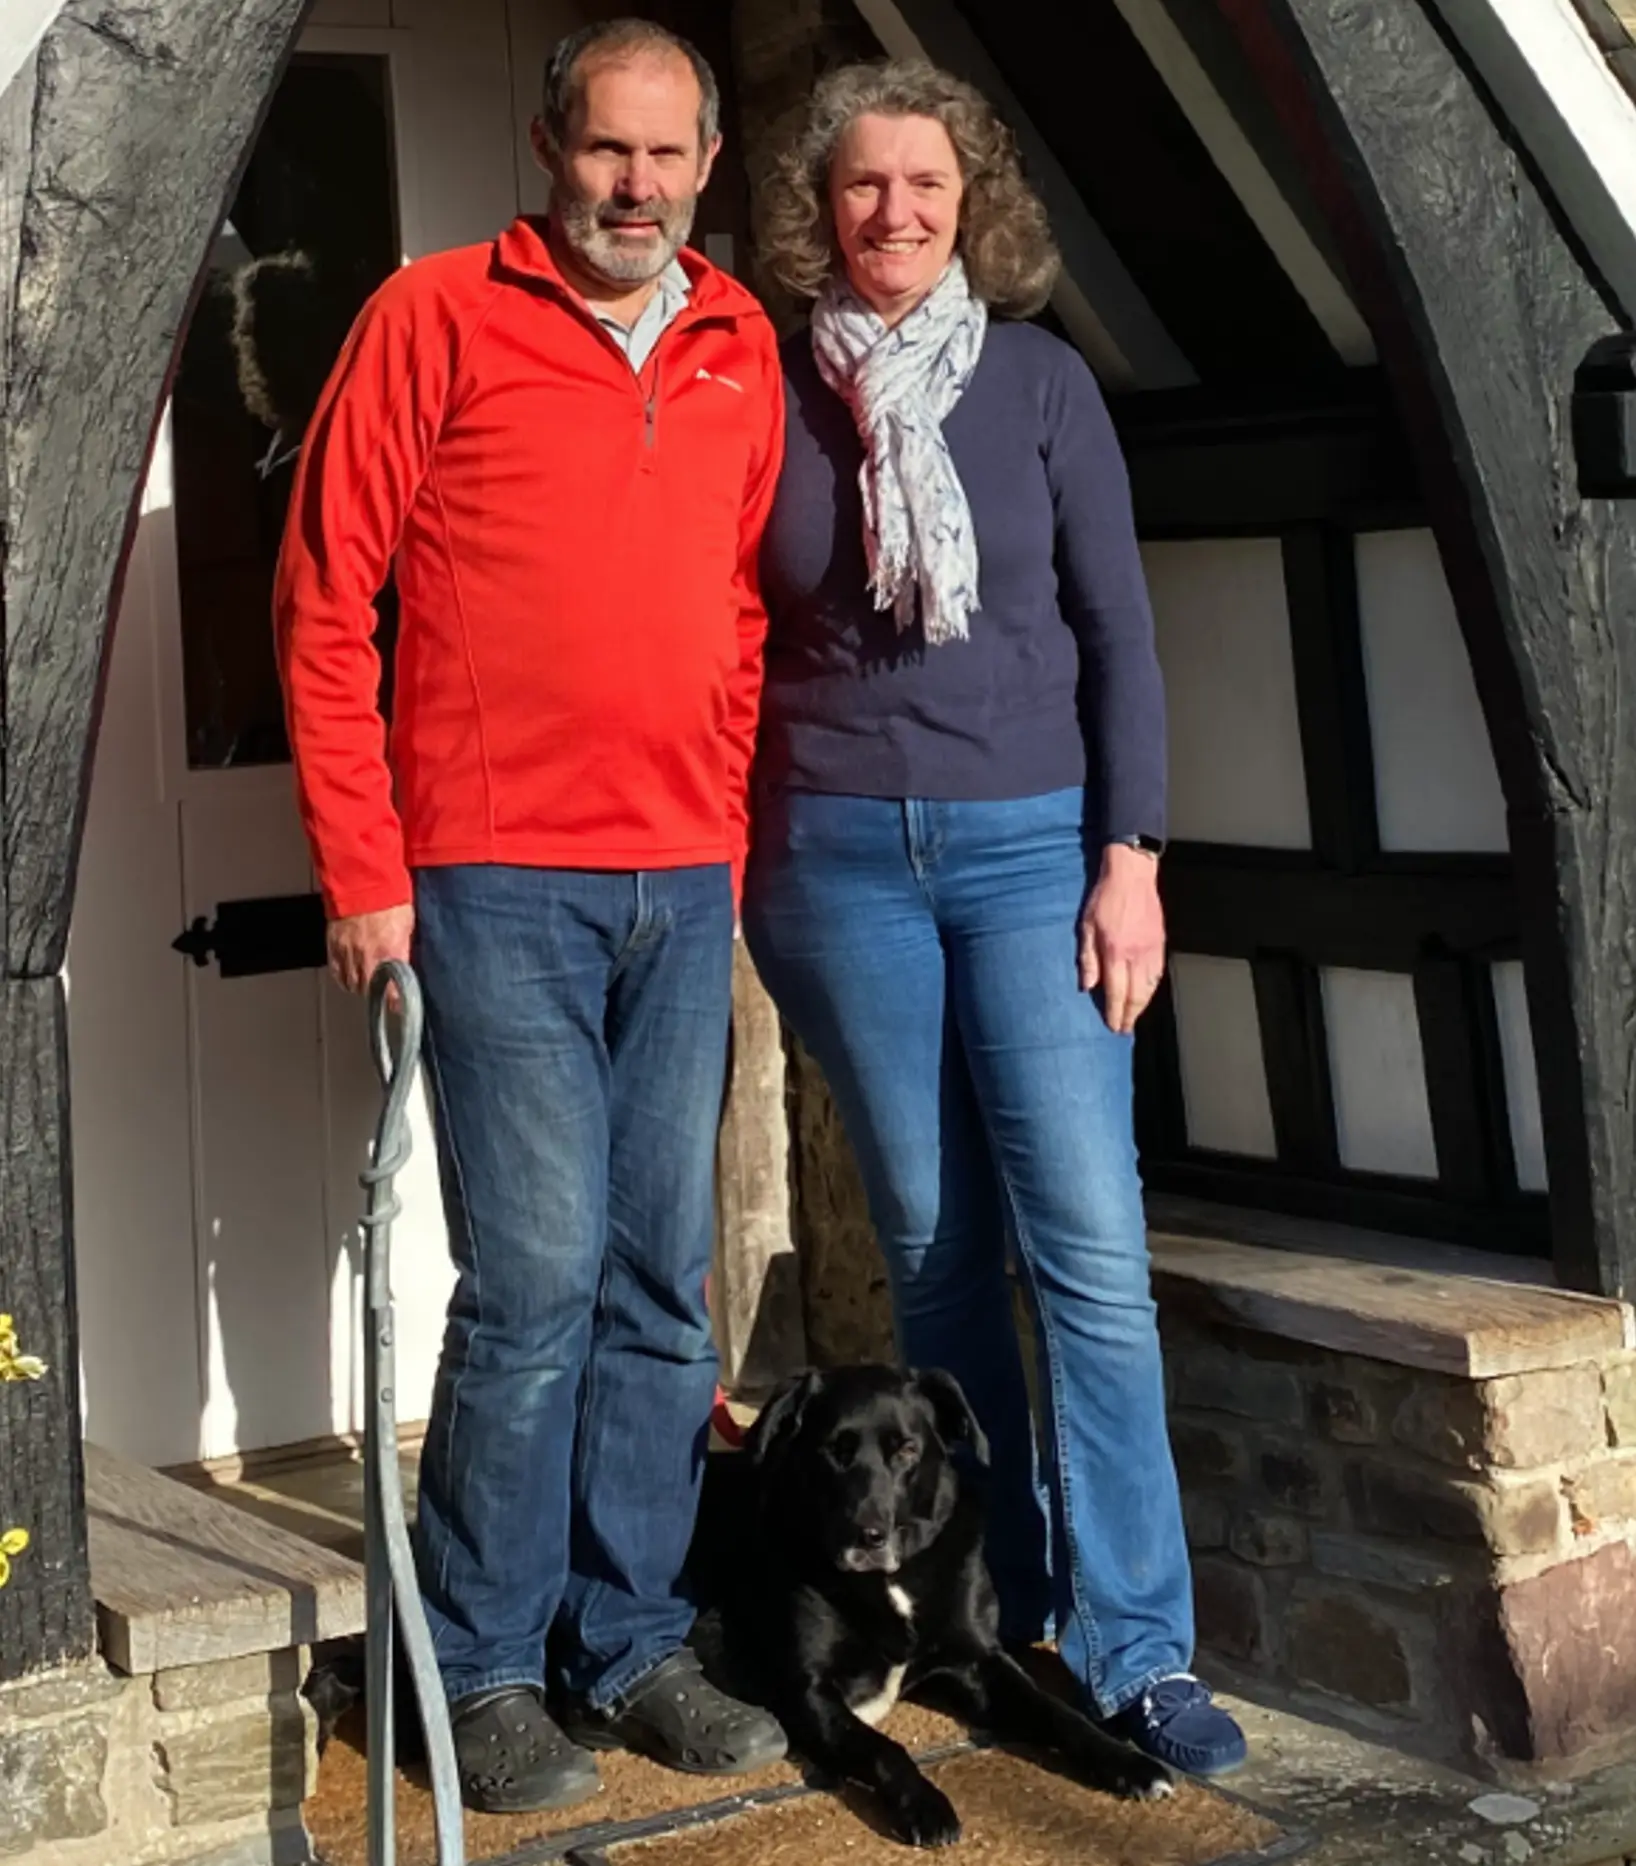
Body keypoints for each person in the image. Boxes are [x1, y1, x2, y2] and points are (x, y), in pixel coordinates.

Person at [274, 18, 788, 1814]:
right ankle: (475, 1666)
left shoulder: (741, 344)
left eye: (664, 156)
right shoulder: (432, 316)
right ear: (549, 148)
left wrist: (718, 820)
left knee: (664, 1283)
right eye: (604, 152)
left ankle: (627, 1633)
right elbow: (327, 603)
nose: (633, 187)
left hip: (679, 876)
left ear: (705, 164)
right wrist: (364, 868)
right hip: (493, 881)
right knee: (537, 1282)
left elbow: (736, 613)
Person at [741, 59, 1247, 1778]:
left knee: (1090, 1259)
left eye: (927, 188)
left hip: (1039, 853)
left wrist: (1134, 852)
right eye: (863, 187)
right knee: (943, 1255)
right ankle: (993, 1608)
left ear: (976, 209)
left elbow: (1122, 632)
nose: (894, 213)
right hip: (834, 861)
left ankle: (1138, 1644)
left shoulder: (1038, 387)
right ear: (820, 211)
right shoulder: (765, 393)